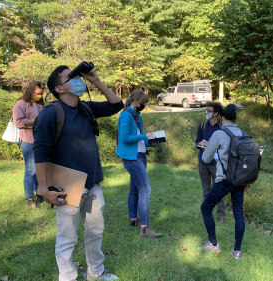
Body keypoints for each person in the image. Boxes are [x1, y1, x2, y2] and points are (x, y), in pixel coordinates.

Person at [33, 65, 123, 281]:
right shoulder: (51, 113)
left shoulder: (86, 108)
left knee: (95, 233)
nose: (77, 79)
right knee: (67, 237)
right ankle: (67, 278)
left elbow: (117, 104)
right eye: (70, 77)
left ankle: (95, 273)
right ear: (59, 88)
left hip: (92, 182)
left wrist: (96, 81)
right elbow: (41, 152)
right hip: (68, 184)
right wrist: (43, 188)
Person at [198, 104, 246, 259]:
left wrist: (215, 155)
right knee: (239, 213)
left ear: (222, 118)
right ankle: (236, 251)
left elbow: (205, 158)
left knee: (206, 208)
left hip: (225, 179)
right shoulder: (243, 133)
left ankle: (213, 243)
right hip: (240, 179)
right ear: (235, 119)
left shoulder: (219, 133)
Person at [116, 90, 162, 238]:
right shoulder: (126, 115)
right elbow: (124, 138)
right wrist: (144, 135)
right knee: (146, 190)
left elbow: (138, 140)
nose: (144, 106)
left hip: (140, 155)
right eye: (143, 103)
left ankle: (133, 220)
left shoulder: (137, 116)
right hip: (133, 158)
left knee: (135, 189)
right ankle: (145, 228)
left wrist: (151, 141)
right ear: (135, 101)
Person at [13, 81, 45, 209]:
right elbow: (18, 122)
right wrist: (36, 121)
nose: (39, 95)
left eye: (41, 94)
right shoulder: (21, 104)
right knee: (31, 170)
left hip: (40, 141)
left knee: (39, 170)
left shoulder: (40, 104)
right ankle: (30, 199)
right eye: (37, 93)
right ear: (31, 91)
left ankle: (40, 194)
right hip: (28, 141)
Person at [195, 102, 226, 223]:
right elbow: (197, 142)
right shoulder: (202, 126)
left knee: (219, 189)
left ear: (216, 113)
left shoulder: (222, 128)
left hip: (217, 163)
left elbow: (225, 146)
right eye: (206, 110)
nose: (206, 112)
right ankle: (207, 214)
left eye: (209, 110)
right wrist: (200, 143)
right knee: (206, 190)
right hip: (202, 161)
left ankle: (221, 216)